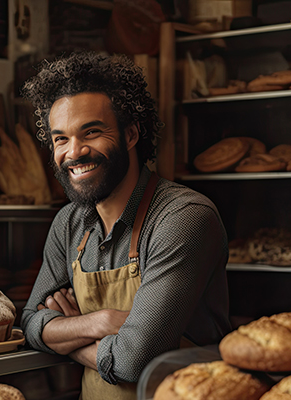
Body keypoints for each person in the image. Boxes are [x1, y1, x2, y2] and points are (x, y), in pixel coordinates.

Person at [19, 51, 230, 400]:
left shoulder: (183, 218)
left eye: (91, 132)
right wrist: (101, 323)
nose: (74, 152)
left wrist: (65, 339)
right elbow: (29, 323)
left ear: (131, 135)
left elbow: (133, 360)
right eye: (61, 139)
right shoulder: (68, 224)